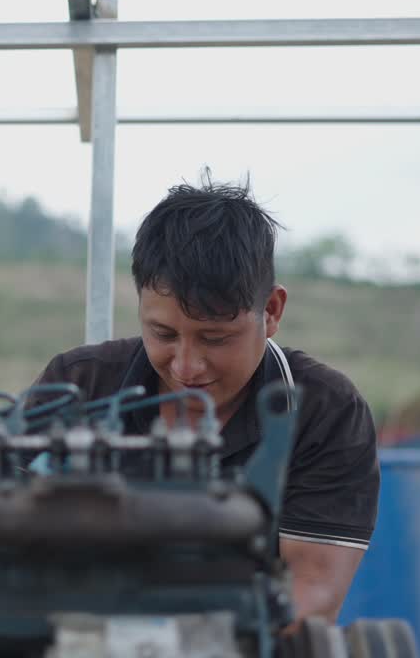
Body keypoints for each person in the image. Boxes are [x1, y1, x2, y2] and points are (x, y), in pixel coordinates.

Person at [30, 177, 380, 625]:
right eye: (163, 334)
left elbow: (310, 591)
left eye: (215, 338)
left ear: (271, 311)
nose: (187, 367)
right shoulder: (78, 383)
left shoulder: (325, 411)